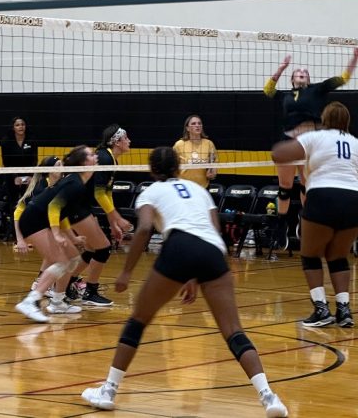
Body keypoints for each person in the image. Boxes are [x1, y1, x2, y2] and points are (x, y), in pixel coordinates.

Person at [81, 146, 288, 418]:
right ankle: (269, 397)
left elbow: (143, 229)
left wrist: (126, 272)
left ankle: (108, 390)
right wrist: (195, 275)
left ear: (153, 170)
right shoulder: (200, 191)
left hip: (179, 247)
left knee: (138, 321)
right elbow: (214, 230)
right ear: (178, 168)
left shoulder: (151, 191)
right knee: (233, 330)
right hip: (213, 252)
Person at [272, 102, 358, 327]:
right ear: (347, 122)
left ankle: (321, 309)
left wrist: (294, 137)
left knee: (310, 255)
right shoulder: (357, 143)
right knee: (337, 256)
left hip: (324, 196)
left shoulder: (315, 137)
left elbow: (278, 155)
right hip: (355, 200)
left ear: (325, 120)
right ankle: (344, 309)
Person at [264, 48, 358, 250]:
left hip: (311, 142)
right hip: (289, 142)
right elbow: (267, 90)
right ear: (292, 79)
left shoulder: (317, 89)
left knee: (307, 184)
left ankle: (305, 220)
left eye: (305, 72)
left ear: (308, 79)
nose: (301, 72)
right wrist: (281, 68)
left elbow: (343, 78)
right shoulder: (285, 95)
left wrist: (354, 58)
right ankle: (281, 227)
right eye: (298, 72)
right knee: (285, 187)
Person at [14, 145, 96, 323]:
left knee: (73, 258)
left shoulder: (77, 182)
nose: (95, 156)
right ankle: (31, 300)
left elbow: (62, 213)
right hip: (33, 220)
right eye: (91, 154)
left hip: (41, 220)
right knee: (62, 261)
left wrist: (72, 238)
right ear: (83, 162)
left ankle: (58, 302)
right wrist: (58, 234)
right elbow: (53, 207)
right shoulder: (74, 183)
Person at [73, 124, 132, 307]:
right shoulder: (105, 158)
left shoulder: (111, 158)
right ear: (117, 141)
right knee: (103, 248)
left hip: (82, 205)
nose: (129, 141)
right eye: (126, 138)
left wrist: (113, 222)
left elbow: (106, 193)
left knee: (92, 248)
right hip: (74, 205)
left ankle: (68, 283)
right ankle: (90, 291)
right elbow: (99, 194)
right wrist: (118, 218)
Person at [1, 116, 38, 209]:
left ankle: (26, 223)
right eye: (17, 125)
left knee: (28, 202)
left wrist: (30, 176)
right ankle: (14, 223)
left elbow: (34, 160)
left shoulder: (31, 140)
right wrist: (15, 177)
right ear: (13, 128)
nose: (20, 127)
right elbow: (6, 162)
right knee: (14, 204)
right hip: (12, 175)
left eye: (22, 124)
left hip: (28, 175)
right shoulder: (6, 141)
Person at [173, 114, 218, 188]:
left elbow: (214, 164)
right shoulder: (179, 144)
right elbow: (172, 166)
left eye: (199, 123)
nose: (197, 125)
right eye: (193, 124)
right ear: (187, 128)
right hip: (184, 187)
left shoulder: (209, 144)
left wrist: (212, 173)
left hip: (203, 187)